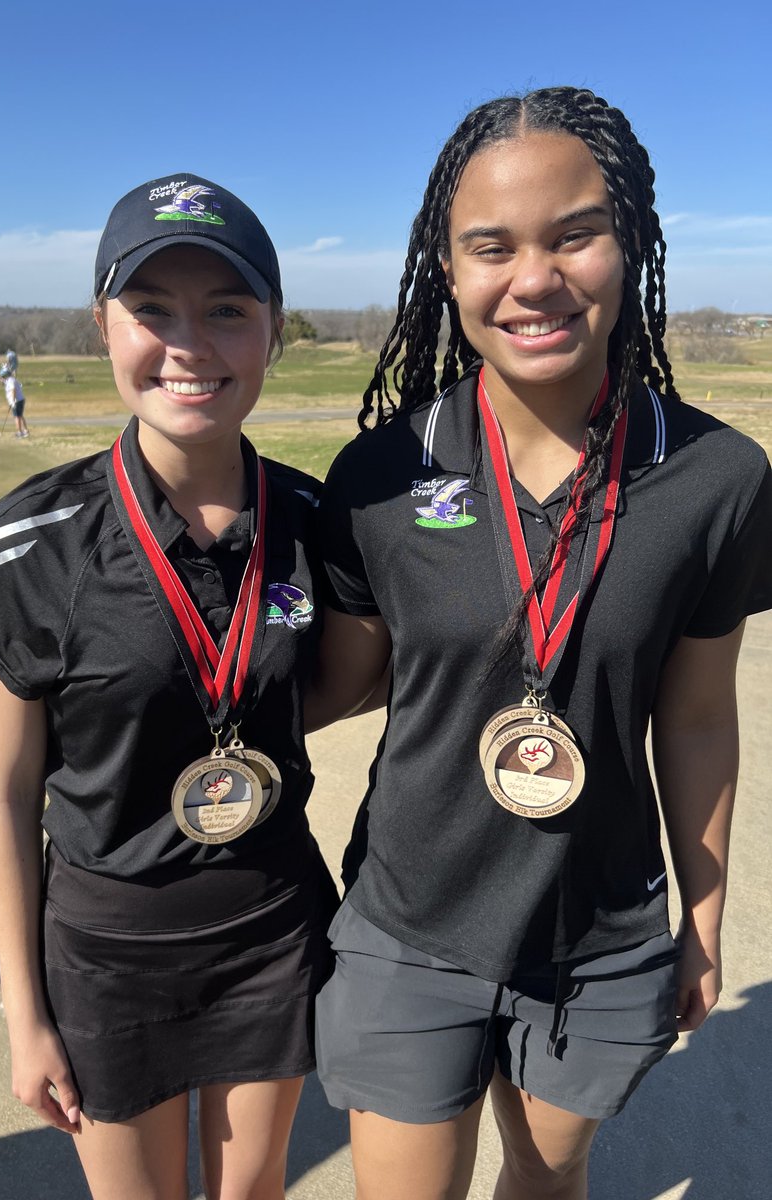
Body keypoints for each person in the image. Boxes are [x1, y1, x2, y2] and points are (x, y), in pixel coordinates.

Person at [309, 87, 772, 1200]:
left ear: (633, 244)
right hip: (408, 925)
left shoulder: (717, 477)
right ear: (447, 271)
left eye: (575, 234)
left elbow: (699, 717)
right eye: (491, 247)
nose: (534, 278)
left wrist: (699, 923)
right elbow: (340, 683)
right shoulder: (381, 474)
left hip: (600, 935)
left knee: (546, 1186)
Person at [0, 173, 337, 1200]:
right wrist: (26, 1019)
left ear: (273, 331)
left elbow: (337, 685)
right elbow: (6, 798)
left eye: (227, 311)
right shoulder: (30, 544)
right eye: (151, 311)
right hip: (108, 955)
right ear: (104, 327)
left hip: (269, 925)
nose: (188, 345)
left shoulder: (318, 522)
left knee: (253, 1192)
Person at [1, 367, 30, 437]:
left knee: (17, 417)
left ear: (6, 375)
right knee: (20, 416)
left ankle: (20, 432)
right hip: (20, 400)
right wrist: (4, 381)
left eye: (3, 376)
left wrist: (13, 401)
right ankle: (25, 431)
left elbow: (13, 390)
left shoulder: (10, 380)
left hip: (16, 401)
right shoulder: (11, 380)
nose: (2, 377)